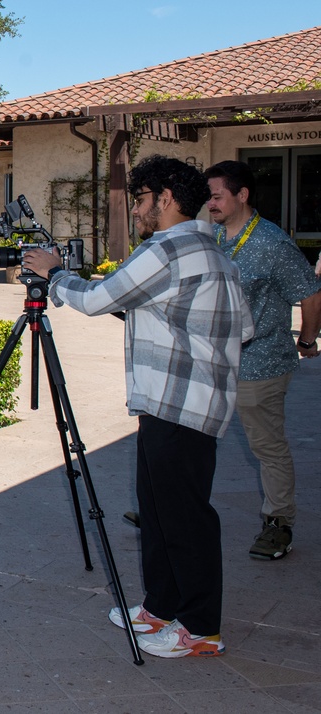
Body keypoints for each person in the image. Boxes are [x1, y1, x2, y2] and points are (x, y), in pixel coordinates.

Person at [23, 155, 253, 659]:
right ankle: (160, 608)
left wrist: (54, 272)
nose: (137, 209)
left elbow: (98, 297)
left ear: (165, 197)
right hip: (178, 404)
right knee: (159, 512)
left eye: (141, 198)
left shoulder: (168, 249)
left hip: (180, 406)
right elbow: (244, 328)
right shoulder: (213, 251)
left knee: (184, 520)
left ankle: (200, 630)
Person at [205, 160, 321, 560]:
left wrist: (307, 340)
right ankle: (173, 507)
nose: (211, 203)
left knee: (267, 447)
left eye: (218, 195)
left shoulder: (272, 243)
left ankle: (279, 523)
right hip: (217, 361)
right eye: (209, 196)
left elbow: (311, 292)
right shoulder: (214, 236)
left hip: (262, 363)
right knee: (195, 436)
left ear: (242, 195)